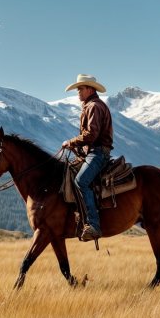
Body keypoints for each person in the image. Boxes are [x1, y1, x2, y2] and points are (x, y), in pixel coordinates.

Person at [62, 74, 113, 241]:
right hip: (93, 152)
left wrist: (71, 142)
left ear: (90, 89)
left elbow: (91, 135)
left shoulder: (93, 106)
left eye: (80, 88)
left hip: (97, 153)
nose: (78, 91)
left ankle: (94, 225)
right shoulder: (92, 105)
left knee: (81, 182)